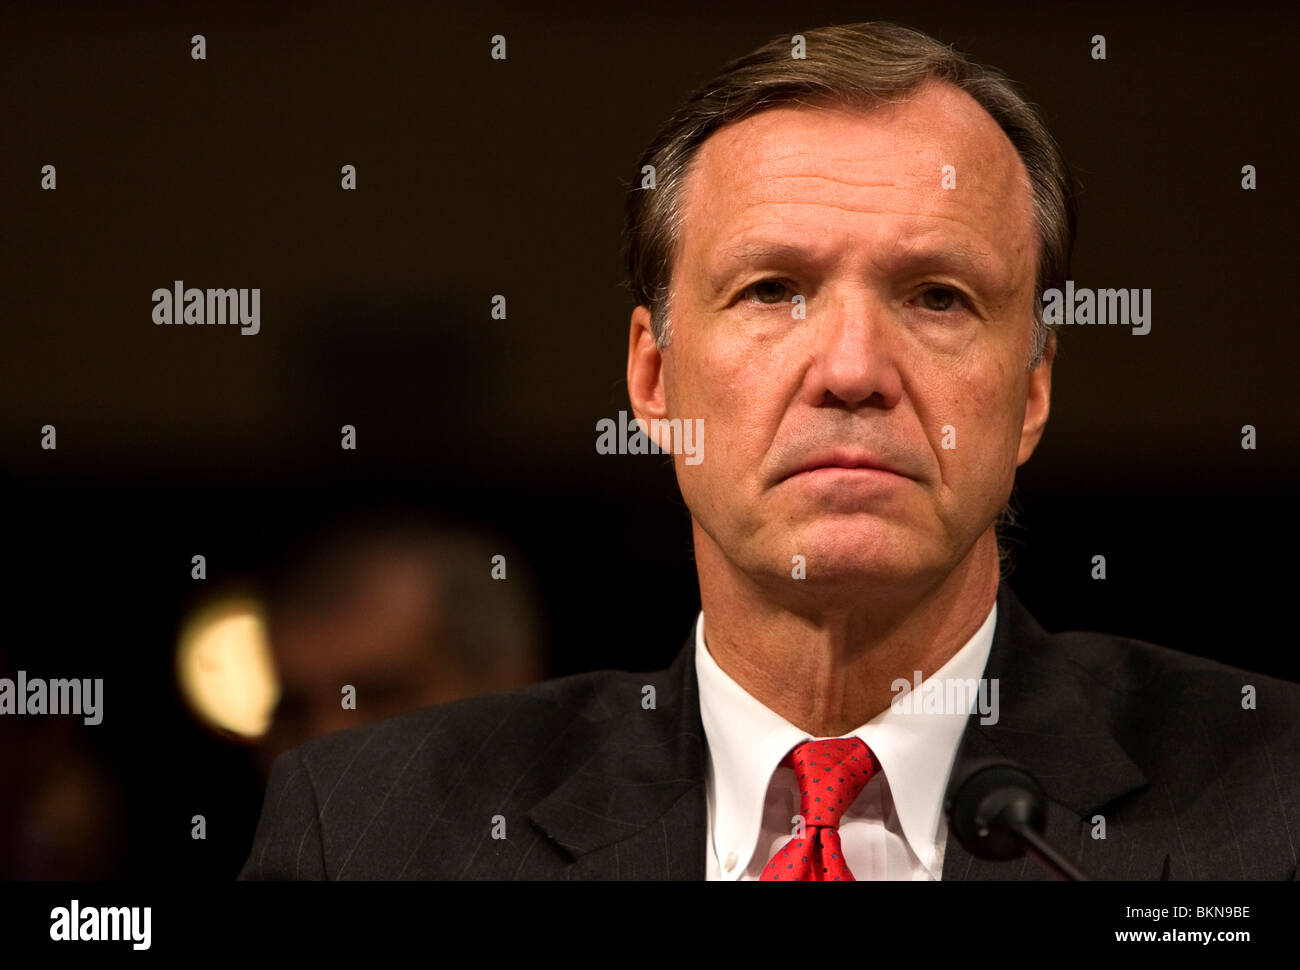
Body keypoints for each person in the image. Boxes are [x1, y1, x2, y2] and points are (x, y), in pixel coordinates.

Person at [239, 21, 1300, 881]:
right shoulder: (372, 831)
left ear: (1030, 392)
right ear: (653, 381)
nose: (850, 370)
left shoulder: (1275, 804)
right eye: (772, 291)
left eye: (937, 296)